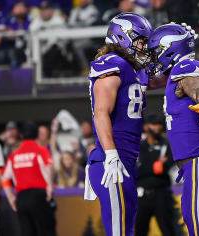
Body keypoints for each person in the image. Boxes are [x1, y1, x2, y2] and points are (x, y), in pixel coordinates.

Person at [148, 23, 199, 236]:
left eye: (157, 50)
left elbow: (195, 84)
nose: (155, 56)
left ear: (171, 48)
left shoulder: (183, 68)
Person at [84, 13, 156, 236]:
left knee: (126, 229)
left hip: (126, 160)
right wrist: (111, 155)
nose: (144, 47)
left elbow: (160, 69)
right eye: (141, 41)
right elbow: (101, 113)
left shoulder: (133, 68)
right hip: (111, 161)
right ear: (123, 38)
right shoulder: (114, 63)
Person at [1, 122, 55, 236]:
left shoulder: (13, 155)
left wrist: (11, 197)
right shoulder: (42, 150)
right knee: (46, 231)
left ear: (21, 135)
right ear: (37, 135)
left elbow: (4, 178)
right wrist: (50, 188)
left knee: (27, 232)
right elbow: (48, 168)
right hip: (39, 196)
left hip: (21, 198)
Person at [135, 114, 176, 236]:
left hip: (161, 193)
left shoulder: (166, 144)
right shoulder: (140, 146)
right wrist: (156, 165)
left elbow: (167, 164)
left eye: (159, 124)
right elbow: (137, 170)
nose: (157, 127)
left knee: (168, 229)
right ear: (146, 126)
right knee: (139, 230)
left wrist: (148, 167)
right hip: (142, 194)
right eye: (154, 124)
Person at [68, 0, 100, 74]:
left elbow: (90, 22)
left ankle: (85, 68)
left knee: (77, 46)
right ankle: (73, 70)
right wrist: (80, 23)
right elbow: (70, 24)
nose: (81, 1)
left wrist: (78, 23)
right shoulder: (74, 11)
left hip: (90, 38)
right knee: (69, 44)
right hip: (76, 37)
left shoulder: (93, 9)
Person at [5, 1, 30, 68]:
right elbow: (9, 36)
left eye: (22, 7)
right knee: (10, 52)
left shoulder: (30, 21)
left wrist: (16, 34)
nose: (19, 9)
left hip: (27, 46)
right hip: (13, 46)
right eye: (17, 7)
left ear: (26, 9)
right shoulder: (9, 22)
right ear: (12, 10)